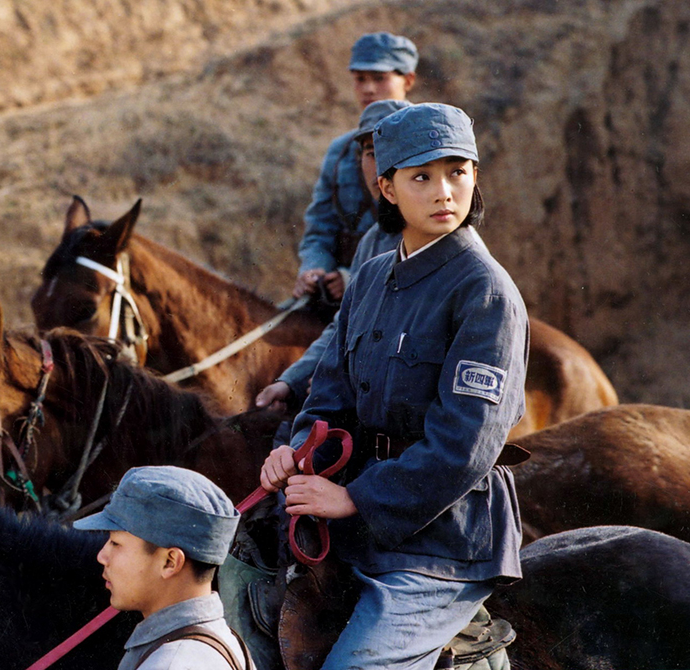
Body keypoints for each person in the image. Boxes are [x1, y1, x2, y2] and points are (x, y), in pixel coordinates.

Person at [261, 103, 529, 670]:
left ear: (475, 177)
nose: (444, 193)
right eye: (421, 177)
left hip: (443, 544)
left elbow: (466, 445)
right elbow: (329, 397)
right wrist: (297, 452)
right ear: (387, 188)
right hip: (360, 527)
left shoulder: (485, 292)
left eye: (458, 172)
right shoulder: (372, 280)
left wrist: (355, 496)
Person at [257, 98, 409, 413]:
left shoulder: (435, 242)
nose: (380, 166)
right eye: (370, 154)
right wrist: (290, 381)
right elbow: (343, 325)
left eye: (392, 152)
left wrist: (342, 380)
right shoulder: (374, 240)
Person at [73, 466, 253, 670]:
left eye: (116, 543)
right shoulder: (221, 641)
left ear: (170, 562)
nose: (102, 556)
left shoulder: (172, 663)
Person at [293, 31, 418, 302]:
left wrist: (352, 278)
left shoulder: (427, 142)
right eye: (360, 79)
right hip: (337, 291)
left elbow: (424, 232)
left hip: (404, 291)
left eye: (380, 78)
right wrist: (315, 270)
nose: (369, 89)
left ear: (408, 80)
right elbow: (320, 227)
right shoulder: (340, 151)